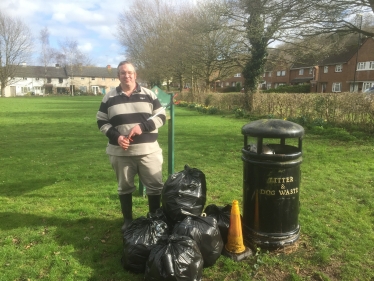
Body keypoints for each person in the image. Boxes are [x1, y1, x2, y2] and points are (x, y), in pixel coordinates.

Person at [96, 61, 166, 232]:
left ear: (135, 75)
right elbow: (101, 121)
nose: (126, 75)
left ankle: (154, 220)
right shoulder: (109, 97)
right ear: (118, 76)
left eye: (129, 72)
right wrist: (117, 137)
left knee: (155, 186)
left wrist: (143, 127)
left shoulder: (149, 94)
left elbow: (162, 116)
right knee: (124, 187)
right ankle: (128, 220)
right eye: (122, 73)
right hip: (120, 152)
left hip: (148, 151)